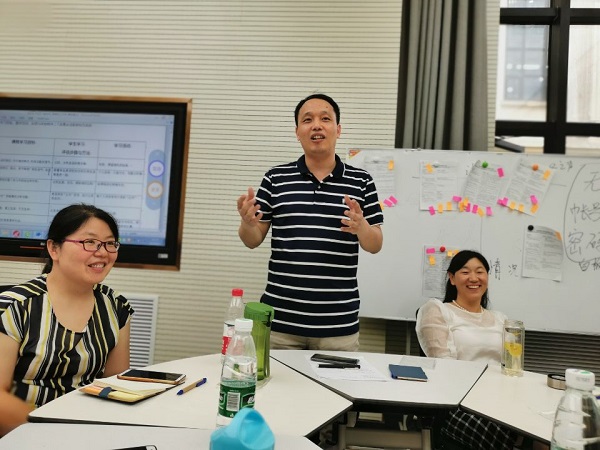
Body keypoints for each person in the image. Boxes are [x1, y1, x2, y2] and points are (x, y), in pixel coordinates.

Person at [237, 93, 383, 351]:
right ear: (297, 132)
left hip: (338, 327)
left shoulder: (362, 181)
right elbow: (253, 240)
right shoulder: (275, 178)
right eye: (307, 120)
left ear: (338, 129)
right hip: (280, 325)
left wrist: (361, 227)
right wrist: (247, 224)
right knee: (274, 380)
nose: (316, 125)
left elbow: (375, 244)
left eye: (325, 119)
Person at [0, 204, 133, 436]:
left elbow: (115, 386)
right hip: (23, 431)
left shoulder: (116, 307)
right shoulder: (15, 306)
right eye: (89, 242)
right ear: (54, 248)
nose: (102, 252)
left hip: (87, 428)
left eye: (110, 243)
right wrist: (54, 434)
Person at [416, 250, 547, 450]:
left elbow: (512, 366)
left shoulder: (501, 319)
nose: (474, 278)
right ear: (452, 278)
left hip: (502, 398)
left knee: (544, 424)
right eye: (465, 272)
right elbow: (445, 368)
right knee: (519, 432)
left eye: (480, 272)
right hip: (461, 404)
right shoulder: (437, 310)